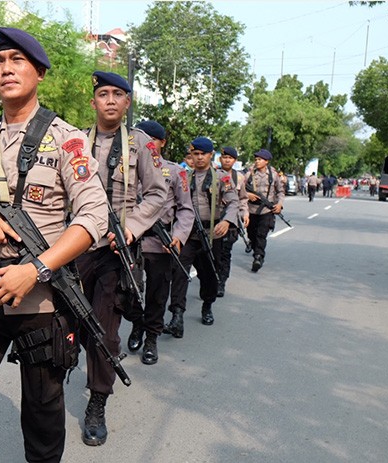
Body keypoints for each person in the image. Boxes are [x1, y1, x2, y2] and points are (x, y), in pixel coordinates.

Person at [0, 27, 108, 463]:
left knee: (43, 416)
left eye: (17, 60)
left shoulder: (67, 139)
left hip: (42, 299)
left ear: (39, 72)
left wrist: (36, 269)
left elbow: (93, 218)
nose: (6, 69)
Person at [77, 71, 166, 446]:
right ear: (94, 101)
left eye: (118, 94)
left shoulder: (142, 144)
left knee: (103, 331)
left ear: (128, 102)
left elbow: (158, 194)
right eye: (103, 94)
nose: (110, 100)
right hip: (78, 246)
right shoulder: (75, 142)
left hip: (118, 251)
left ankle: (97, 401)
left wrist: (132, 228)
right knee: (69, 324)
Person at [125, 120, 194, 365]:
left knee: (156, 294)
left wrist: (178, 236)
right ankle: (137, 323)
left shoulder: (176, 172)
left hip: (160, 244)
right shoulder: (125, 165)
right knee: (128, 292)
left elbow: (186, 209)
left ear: (162, 143)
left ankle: (151, 337)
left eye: (151, 139)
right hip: (130, 242)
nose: (146, 144)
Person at [163, 137, 238, 338]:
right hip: (187, 234)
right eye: (195, 154)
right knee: (179, 273)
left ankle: (207, 305)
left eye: (202, 154)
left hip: (211, 234)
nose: (198, 158)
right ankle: (177, 315)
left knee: (209, 275)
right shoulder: (184, 176)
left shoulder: (221, 177)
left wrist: (227, 222)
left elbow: (233, 202)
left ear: (210, 155)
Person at [216, 146, 248, 297]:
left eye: (230, 158)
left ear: (234, 160)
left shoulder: (239, 177)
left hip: (231, 221)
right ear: (220, 159)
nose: (227, 160)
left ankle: (221, 281)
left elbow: (242, 199)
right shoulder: (213, 174)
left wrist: (245, 213)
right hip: (213, 218)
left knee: (225, 253)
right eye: (224, 157)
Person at [245, 149, 285, 272]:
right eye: (256, 159)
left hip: (267, 210)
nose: (257, 162)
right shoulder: (249, 175)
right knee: (251, 233)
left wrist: (279, 204)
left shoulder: (273, 175)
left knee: (261, 234)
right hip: (252, 209)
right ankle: (252, 242)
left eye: (260, 159)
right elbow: (239, 190)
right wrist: (248, 195)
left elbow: (280, 191)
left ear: (266, 161)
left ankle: (258, 257)